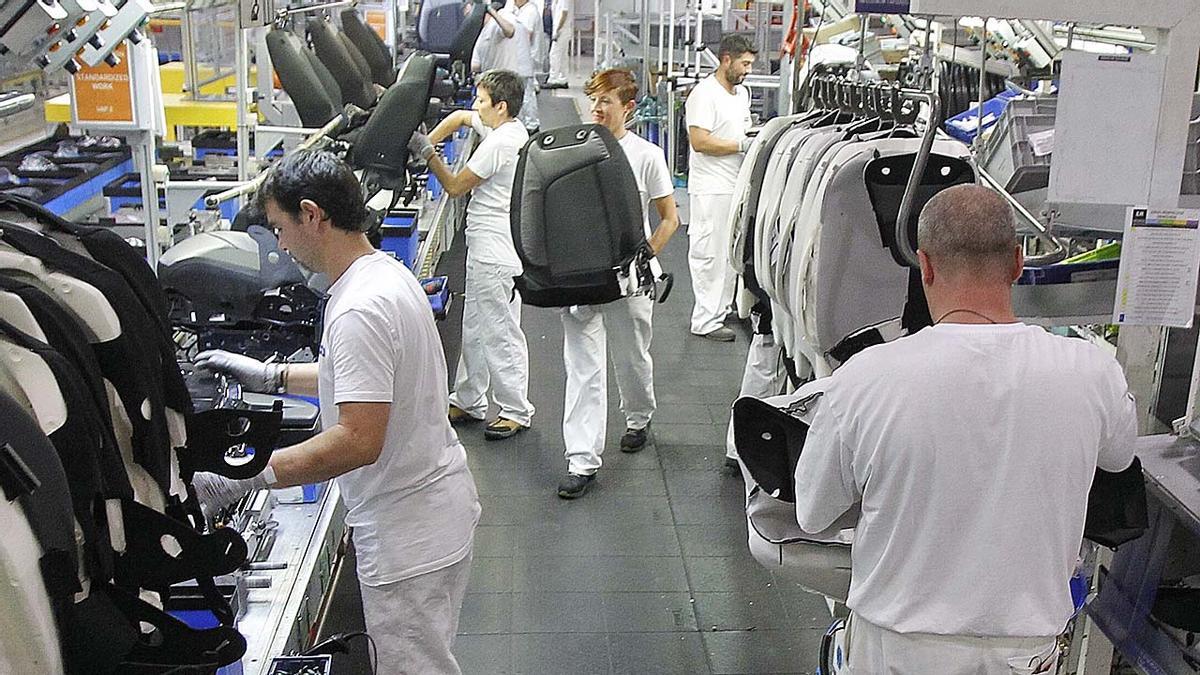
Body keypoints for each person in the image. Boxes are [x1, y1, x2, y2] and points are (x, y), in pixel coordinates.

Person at [792, 185, 1138, 674]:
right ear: (1018, 263)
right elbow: (1121, 458)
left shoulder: (863, 379)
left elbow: (811, 513)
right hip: (1025, 654)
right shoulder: (1092, 371)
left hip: (898, 654)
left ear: (925, 266)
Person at [190, 150, 481, 674]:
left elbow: (356, 440)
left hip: (408, 532)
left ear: (311, 214)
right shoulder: (383, 276)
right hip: (429, 509)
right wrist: (272, 375)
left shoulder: (357, 310)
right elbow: (364, 382)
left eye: (279, 227)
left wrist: (245, 477)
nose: (279, 242)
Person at [556, 68, 680, 499]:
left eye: (606, 101)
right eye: (594, 100)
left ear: (627, 108)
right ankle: (581, 459)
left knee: (631, 358)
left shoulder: (646, 155)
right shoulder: (574, 151)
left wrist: (646, 257)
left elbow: (669, 218)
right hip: (582, 275)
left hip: (628, 277)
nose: (597, 108)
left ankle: (638, 417)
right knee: (582, 368)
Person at [409, 69, 536, 440]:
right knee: (477, 326)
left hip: (496, 249)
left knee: (499, 329)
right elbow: (461, 118)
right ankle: (469, 398)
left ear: (501, 106)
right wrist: (428, 136)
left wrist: (427, 153)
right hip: (486, 244)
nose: (475, 107)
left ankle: (515, 409)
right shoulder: (506, 129)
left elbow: (453, 186)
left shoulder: (500, 144)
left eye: (482, 101)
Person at [683, 33, 756, 342]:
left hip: (734, 186)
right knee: (709, 253)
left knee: (728, 254)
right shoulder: (704, 94)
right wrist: (740, 144)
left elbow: (743, 127)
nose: (748, 70)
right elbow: (699, 142)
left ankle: (720, 309)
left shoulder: (741, 94)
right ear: (727, 59)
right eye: (745, 63)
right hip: (711, 188)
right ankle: (704, 319)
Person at [479, 0, 540, 130]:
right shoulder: (512, 15)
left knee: (524, 104)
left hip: (519, 66)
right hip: (519, 66)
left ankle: (531, 130)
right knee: (524, 102)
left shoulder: (508, 17)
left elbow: (513, 31)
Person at [545, 0, 572, 87]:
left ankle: (553, 78)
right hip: (561, 30)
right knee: (563, 56)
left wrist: (558, 30)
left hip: (562, 30)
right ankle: (563, 78)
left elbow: (564, 13)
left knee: (554, 54)